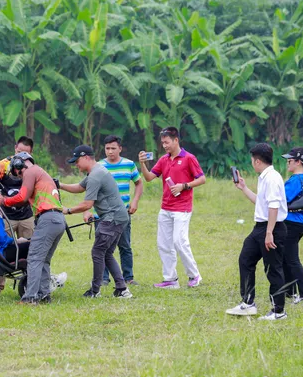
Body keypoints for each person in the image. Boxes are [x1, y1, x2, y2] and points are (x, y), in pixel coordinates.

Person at [60, 145, 133, 299]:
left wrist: (68, 211)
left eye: (77, 161)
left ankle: (95, 291)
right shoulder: (97, 170)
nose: (76, 164)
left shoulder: (95, 175)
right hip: (119, 217)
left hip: (111, 218)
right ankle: (122, 289)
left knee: (98, 252)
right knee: (106, 253)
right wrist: (59, 185)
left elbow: (87, 204)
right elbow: (80, 187)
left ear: (86, 157)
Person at [226, 143, 289, 321]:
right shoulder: (264, 177)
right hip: (260, 228)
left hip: (272, 228)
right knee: (245, 259)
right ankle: (248, 303)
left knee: (273, 269)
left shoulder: (272, 178)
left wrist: (269, 233)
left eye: (252, 160)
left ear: (258, 161)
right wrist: (244, 188)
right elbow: (262, 203)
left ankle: (278, 311)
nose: (252, 163)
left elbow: (274, 206)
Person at [138, 127, 206, 289]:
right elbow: (148, 178)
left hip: (182, 208)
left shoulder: (189, 158)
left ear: (176, 140)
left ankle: (194, 275)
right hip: (165, 208)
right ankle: (170, 279)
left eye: (167, 142)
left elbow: (202, 179)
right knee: (164, 244)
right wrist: (142, 164)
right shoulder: (163, 160)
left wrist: (184, 186)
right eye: (162, 143)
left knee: (179, 242)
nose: (165, 145)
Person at [0, 152, 66, 305]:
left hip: (48, 218)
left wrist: (3, 200)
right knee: (44, 260)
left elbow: (21, 197)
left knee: (34, 258)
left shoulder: (30, 171)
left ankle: (29, 298)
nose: (19, 176)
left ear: (21, 164)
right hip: (58, 219)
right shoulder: (40, 172)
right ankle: (44, 295)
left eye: (18, 172)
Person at [0, 180, 67, 292]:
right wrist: (18, 241)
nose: (1, 197)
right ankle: (43, 281)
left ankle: (42, 279)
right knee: (34, 246)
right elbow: (3, 240)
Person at [92, 135, 143, 287]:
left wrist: (135, 201)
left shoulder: (129, 165)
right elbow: (91, 189)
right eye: (107, 148)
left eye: (113, 148)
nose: (110, 151)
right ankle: (104, 278)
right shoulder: (98, 166)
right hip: (102, 214)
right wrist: (87, 210)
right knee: (103, 247)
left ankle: (128, 277)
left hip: (123, 214)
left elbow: (139, 183)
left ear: (120, 148)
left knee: (125, 245)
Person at [0, 136, 35, 296]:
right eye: (19, 151)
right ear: (15, 148)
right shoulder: (2, 165)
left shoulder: (32, 167)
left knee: (32, 250)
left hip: (27, 216)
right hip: (7, 216)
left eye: (26, 153)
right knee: (2, 250)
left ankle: (31, 283)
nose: (21, 155)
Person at [281, 147, 303, 303]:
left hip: (291, 223)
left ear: (299, 162)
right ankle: (290, 291)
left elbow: (280, 198)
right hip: (299, 224)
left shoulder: (295, 181)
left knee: (292, 259)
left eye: (290, 160)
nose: (287, 163)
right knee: (285, 257)